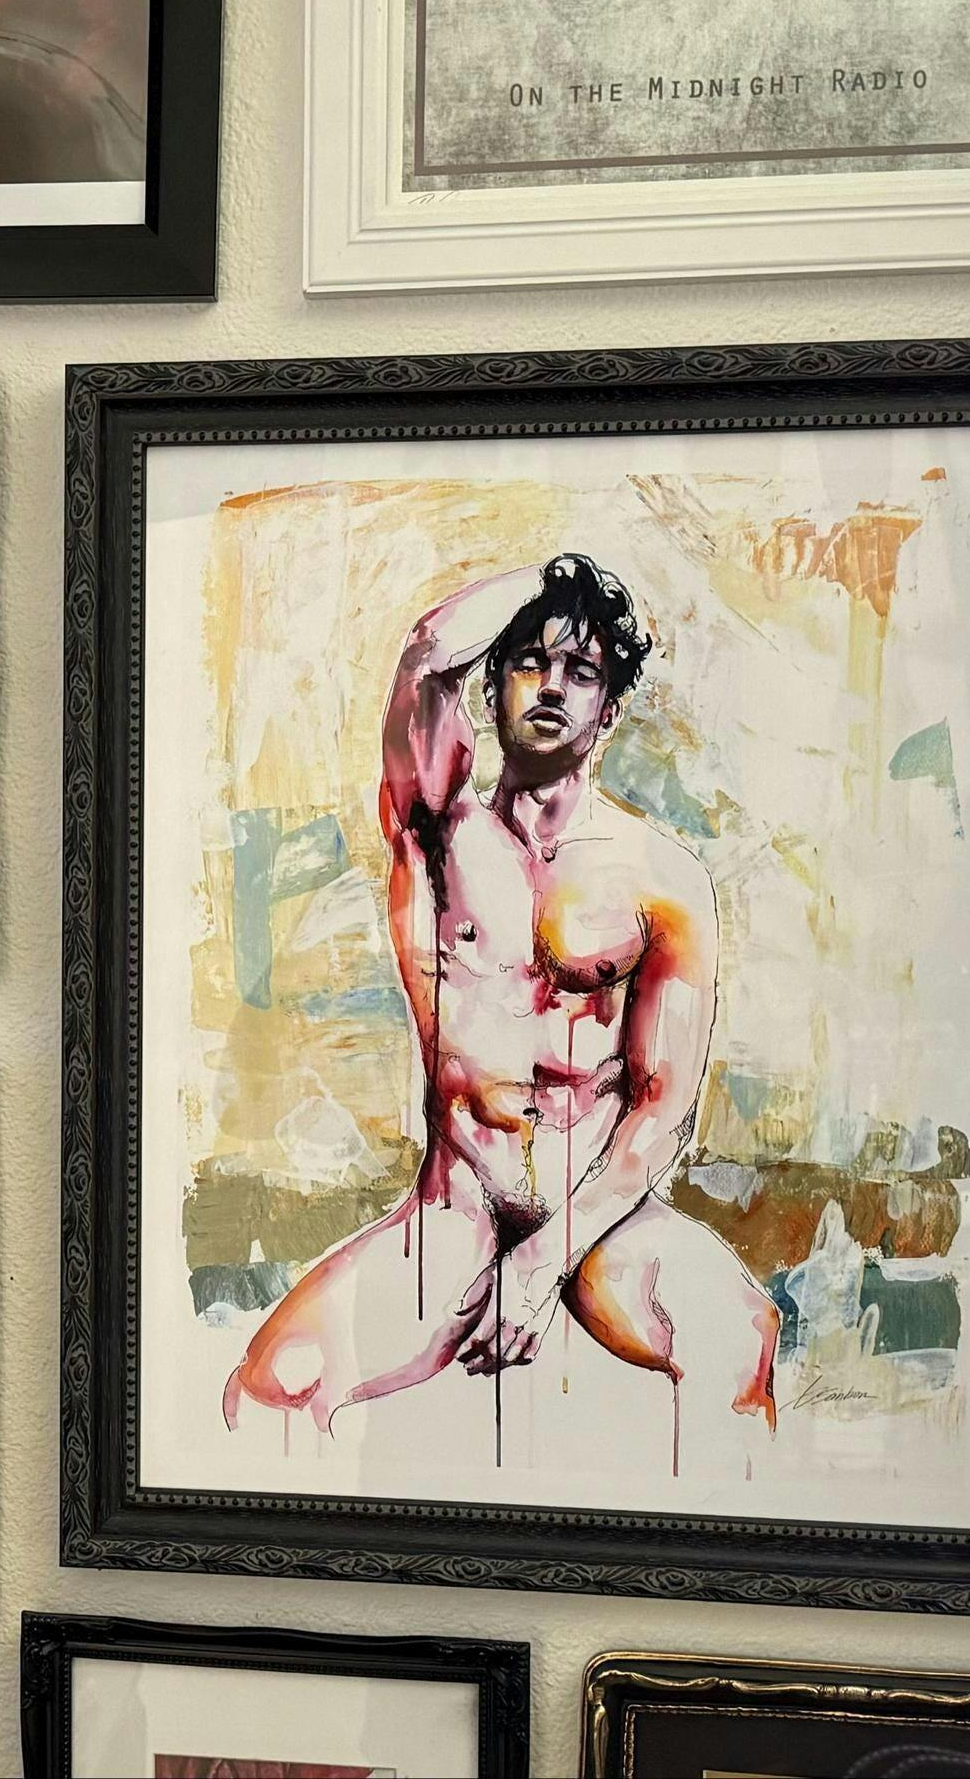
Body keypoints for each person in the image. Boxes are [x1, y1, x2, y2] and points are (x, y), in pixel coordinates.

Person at [223, 555, 778, 1462]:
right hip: (460, 1203)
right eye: (529, 662)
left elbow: (661, 1106)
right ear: (491, 687)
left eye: (582, 671)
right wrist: (554, 575)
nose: (553, 687)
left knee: (739, 1339)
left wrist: (544, 1258)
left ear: (611, 707)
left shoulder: (663, 880)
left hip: (600, 1210)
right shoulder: (438, 833)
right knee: (277, 1383)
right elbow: (425, 656)